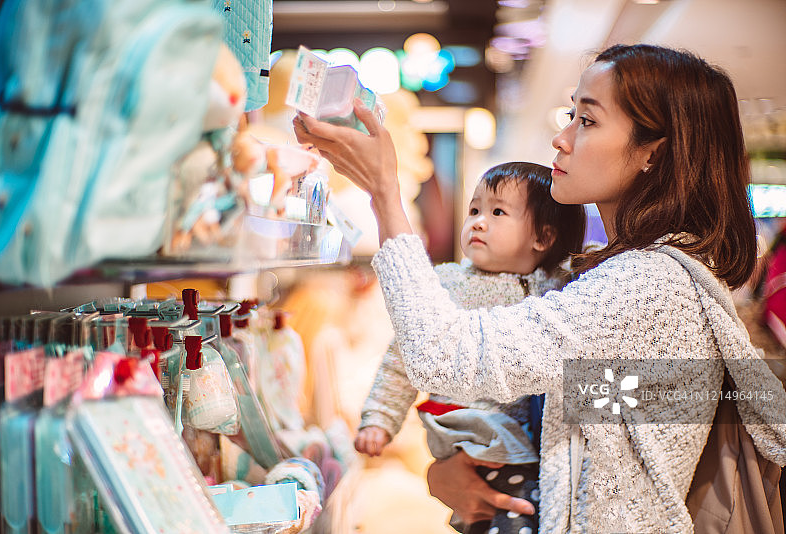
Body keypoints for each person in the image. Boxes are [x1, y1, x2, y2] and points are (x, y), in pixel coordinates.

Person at [294, 44, 786, 533]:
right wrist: (453, 472)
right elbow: (613, 411)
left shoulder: (647, 285)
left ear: (652, 152)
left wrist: (385, 192)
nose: (561, 138)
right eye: (571, 114)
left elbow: (442, 354)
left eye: (587, 121)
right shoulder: (649, 279)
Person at [355, 162, 586, 534]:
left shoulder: (555, 289)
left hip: (517, 444)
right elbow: (403, 358)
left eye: (497, 212)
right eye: (475, 210)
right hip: (460, 432)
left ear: (542, 238)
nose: (478, 221)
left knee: (504, 515)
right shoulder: (444, 283)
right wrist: (379, 419)